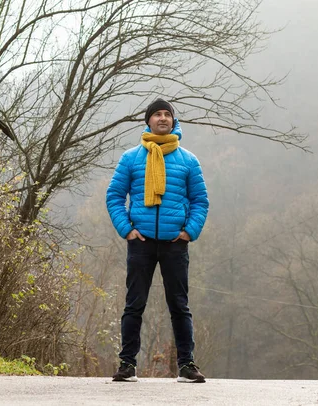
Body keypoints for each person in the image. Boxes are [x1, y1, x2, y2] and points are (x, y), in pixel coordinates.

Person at [106, 98, 209, 383]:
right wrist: (126, 229)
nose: (163, 118)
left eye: (167, 115)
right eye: (157, 114)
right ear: (148, 121)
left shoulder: (188, 160)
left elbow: (200, 201)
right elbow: (114, 196)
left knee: (179, 305)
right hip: (141, 243)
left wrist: (189, 231)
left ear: (173, 122)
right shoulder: (131, 158)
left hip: (175, 244)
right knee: (134, 304)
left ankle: (186, 365)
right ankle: (127, 364)